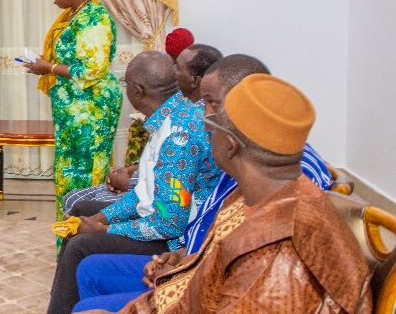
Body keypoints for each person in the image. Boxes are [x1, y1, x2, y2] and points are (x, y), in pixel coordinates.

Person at [71, 54, 334, 313]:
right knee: (90, 272)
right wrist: (183, 256)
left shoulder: (273, 238)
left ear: (231, 141)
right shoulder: (251, 183)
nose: (203, 118)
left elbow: (212, 293)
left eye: (211, 104)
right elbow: (211, 244)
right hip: (192, 266)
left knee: (89, 300)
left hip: (196, 284)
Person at [46, 51, 218, 314]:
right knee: (83, 214)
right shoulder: (170, 117)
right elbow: (143, 193)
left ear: (137, 91)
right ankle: (68, 302)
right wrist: (102, 218)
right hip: (163, 221)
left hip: (174, 242)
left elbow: (168, 222)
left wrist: (103, 231)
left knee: (80, 246)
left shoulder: (177, 137)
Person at [62, 44, 222, 217]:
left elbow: (169, 212)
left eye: (177, 67)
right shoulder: (176, 113)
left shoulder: (180, 128)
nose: (173, 71)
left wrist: (104, 227)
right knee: (79, 210)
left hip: (171, 218)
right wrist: (101, 219)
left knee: (80, 224)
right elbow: (160, 167)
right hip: (160, 204)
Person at [24, 0, 122, 223]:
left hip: (91, 108)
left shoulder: (94, 19)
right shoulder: (74, 15)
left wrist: (50, 67)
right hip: (74, 109)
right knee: (69, 173)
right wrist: (46, 67)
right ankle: (70, 239)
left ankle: (84, 237)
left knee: (87, 172)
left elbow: (92, 69)